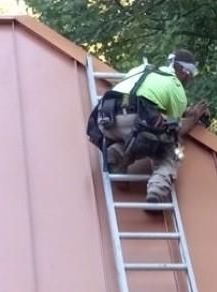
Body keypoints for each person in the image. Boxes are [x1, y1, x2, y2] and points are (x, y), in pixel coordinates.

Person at [87, 49, 210, 205]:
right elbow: (177, 128)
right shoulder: (175, 87)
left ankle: (116, 155)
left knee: (139, 135)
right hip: (135, 121)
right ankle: (157, 189)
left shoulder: (141, 69)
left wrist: (186, 112)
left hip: (105, 120)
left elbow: (140, 97)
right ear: (185, 72)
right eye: (189, 75)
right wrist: (194, 117)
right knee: (169, 147)